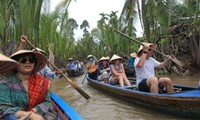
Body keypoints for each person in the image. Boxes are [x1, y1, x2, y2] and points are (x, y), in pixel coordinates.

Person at [0, 50, 59, 120]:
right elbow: (4, 108)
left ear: (34, 64)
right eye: (23, 60)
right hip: (16, 116)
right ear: (16, 63)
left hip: (38, 115)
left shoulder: (42, 82)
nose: (28, 62)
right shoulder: (6, 82)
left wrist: (35, 111)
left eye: (31, 60)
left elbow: (47, 101)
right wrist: (29, 115)